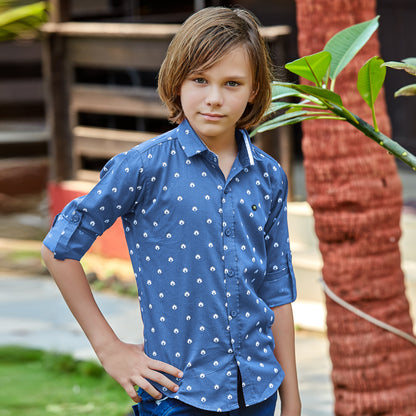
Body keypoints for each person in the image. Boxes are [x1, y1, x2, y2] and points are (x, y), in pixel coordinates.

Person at [41, 6, 301, 416]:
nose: (214, 98)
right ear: (177, 80)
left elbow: (276, 291)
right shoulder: (143, 167)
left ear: (254, 90)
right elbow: (58, 249)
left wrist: (292, 400)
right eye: (200, 80)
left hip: (258, 393)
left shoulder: (268, 177)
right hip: (178, 394)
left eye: (232, 83)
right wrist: (109, 349)